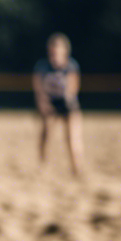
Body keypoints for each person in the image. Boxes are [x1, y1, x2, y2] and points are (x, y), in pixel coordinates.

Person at [32, 32, 85, 176]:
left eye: (57, 52)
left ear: (65, 52)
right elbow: (38, 89)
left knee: (72, 137)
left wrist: (67, 102)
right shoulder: (42, 66)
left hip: (67, 103)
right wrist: (43, 104)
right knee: (46, 135)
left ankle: (76, 168)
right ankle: (43, 167)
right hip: (50, 102)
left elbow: (73, 89)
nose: (54, 56)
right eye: (52, 52)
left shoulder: (71, 66)